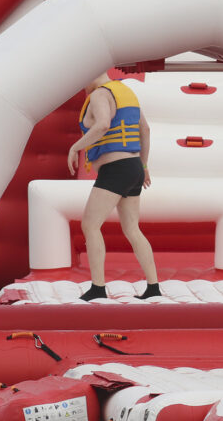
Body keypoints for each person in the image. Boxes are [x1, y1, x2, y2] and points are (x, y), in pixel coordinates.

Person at [67, 74, 159, 301]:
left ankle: (98, 288)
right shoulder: (126, 94)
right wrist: (144, 165)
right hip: (134, 166)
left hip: (116, 169)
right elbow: (145, 130)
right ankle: (153, 287)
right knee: (132, 228)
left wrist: (74, 148)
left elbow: (103, 125)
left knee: (90, 225)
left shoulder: (100, 94)